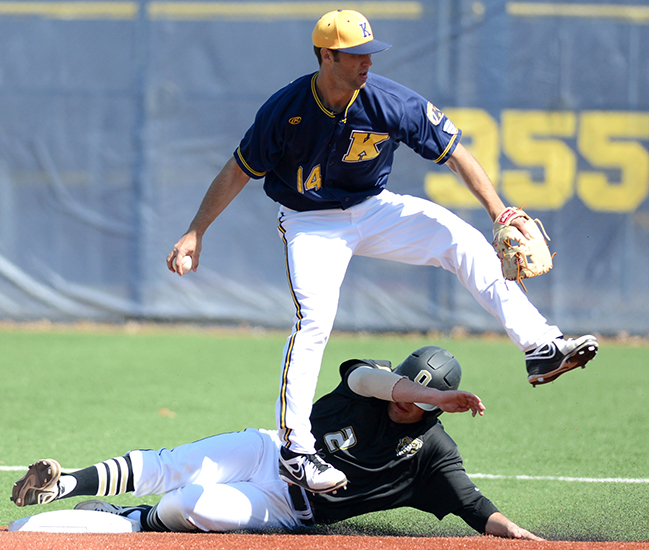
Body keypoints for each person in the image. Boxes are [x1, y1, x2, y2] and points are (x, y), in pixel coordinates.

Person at [166, 9, 599, 494]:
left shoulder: (390, 100)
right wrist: (196, 231)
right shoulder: (285, 109)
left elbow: (455, 151)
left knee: (460, 239)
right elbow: (239, 169)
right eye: (355, 55)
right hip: (311, 222)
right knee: (313, 321)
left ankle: (539, 346)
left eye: (370, 52)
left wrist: (500, 212)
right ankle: (296, 450)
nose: (366, 63)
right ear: (326, 56)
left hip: (375, 209)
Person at [11, 346, 542, 541]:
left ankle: (130, 517)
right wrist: (415, 391)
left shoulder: (432, 451)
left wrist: (519, 532)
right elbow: (373, 381)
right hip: (270, 450)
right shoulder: (370, 381)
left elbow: (472, 504)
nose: (408, 400)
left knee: (185, 504)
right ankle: (64, 485)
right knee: (174, 464)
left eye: (425, 399)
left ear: (441, 406)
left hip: (285, 506)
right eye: (408, 386)